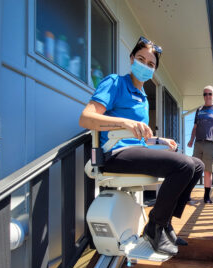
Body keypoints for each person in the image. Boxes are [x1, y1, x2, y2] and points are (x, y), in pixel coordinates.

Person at [79, 37, 204, 256]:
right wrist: (123, 122)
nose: (145, 65)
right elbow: (86, 118)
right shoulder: (115, 82)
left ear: (154, 70)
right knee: (184, 165)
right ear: (131, 59)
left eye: (151, 64)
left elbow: (139, 136)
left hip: (136, 150)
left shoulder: (144, 98)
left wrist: (158, 140)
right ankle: (154, 226)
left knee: (198, 165)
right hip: (114, 153)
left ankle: (164, 224)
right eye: (140, 59)